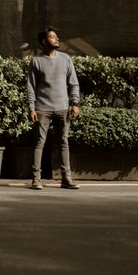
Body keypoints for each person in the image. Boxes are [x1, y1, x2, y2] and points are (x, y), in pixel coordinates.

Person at [26, 27, 81, 190]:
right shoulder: (36, 61)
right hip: (42, 108)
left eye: (57, 37)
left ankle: (66, 179)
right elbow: (31, 87)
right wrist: (31, 107)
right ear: (44, 41)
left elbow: (74, 83)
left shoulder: (66, 59)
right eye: (52, 37)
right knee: (39, 143)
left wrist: (75, 103)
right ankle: (36, 179)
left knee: (63, 142)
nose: (57, 39)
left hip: (63, 108)